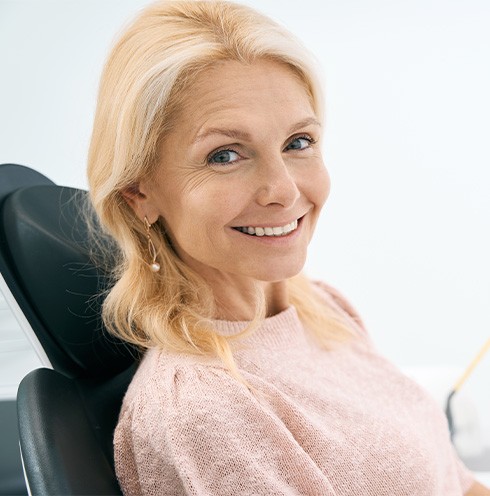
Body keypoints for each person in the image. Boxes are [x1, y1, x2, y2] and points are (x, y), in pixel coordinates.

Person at [87, 1, 489, 494]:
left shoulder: (322, 308)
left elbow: (455, 482)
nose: (284, 189)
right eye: (225, 155)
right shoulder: (203, 411)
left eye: (298, 142)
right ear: (139, 192)